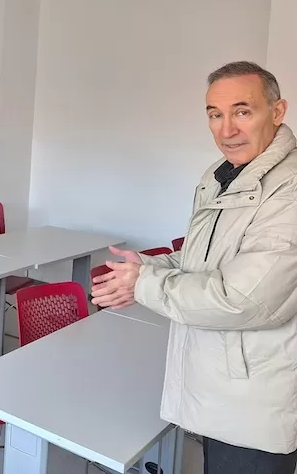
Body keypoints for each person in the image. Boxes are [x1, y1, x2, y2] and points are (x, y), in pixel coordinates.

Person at [92, 61, 297, 474]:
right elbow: (204, 259)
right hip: (218, 384)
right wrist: (148, 265)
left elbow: (245, 299)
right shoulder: (222, 174)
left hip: (254, 402)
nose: (227, 130)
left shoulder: (288, 186)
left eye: (242, 111)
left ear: (277, 112)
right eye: (215, 114)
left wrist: (143, 283)